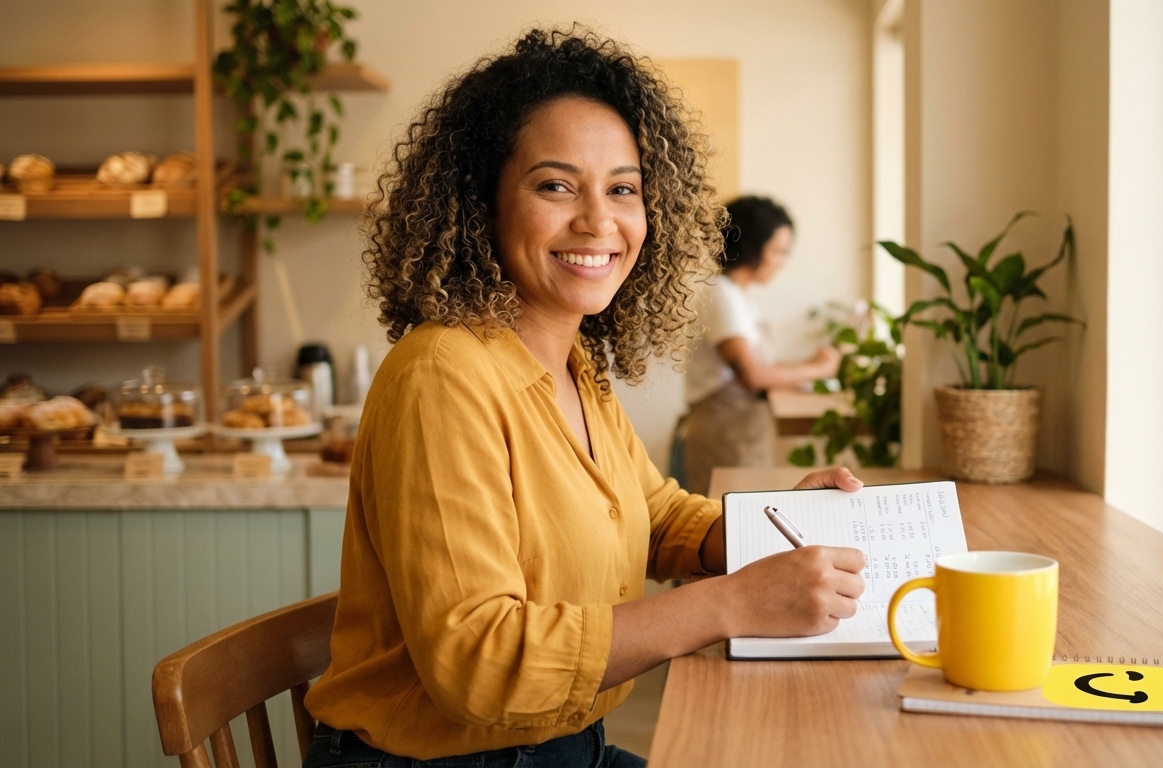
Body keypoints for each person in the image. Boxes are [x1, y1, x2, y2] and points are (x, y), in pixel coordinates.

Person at [301, 28, 866, 768]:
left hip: (560, 748)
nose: (599, 222)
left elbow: (654, 513)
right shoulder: (441, 374)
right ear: (482, 203)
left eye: (623, 189)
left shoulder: (573, 363)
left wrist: (771, 526)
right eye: (556, 185)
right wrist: (728, 604)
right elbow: (480, 661)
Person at [679, 196, 842, 495]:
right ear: (753, 247)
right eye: (778, 251)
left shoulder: (736, 297)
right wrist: (818, 369)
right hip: (724, 433)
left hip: (735, 432)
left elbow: (760, 367)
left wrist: (809, 365)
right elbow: (752, 375)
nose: (782, 262)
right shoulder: (722, 295)